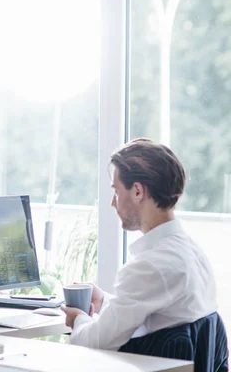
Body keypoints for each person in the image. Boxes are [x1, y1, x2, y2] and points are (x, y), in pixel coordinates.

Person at [61, 138, 218, 350]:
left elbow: (95, 343)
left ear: (137, 191)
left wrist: (79, 319)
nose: (113, 202)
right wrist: (105, 302)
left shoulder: (151, 266)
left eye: (116, 191)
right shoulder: (193, 253)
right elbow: (157, 318)